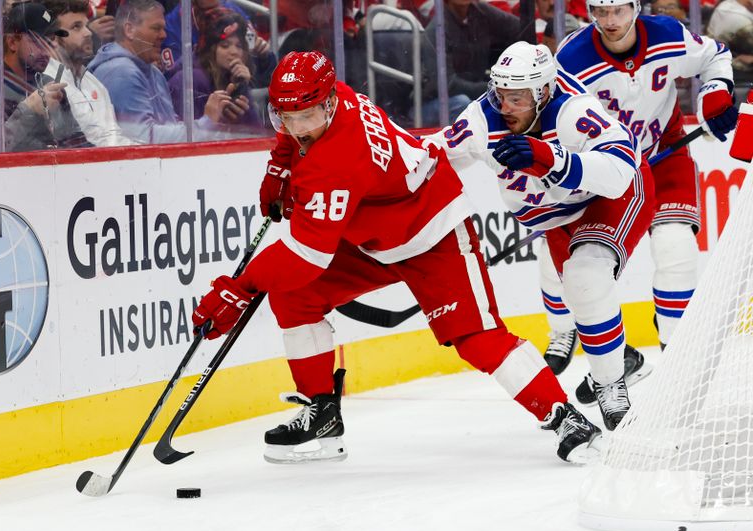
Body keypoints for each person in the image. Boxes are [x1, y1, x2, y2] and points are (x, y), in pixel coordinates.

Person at [192, 50, 602, 464]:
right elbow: (295, 135)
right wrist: (281, 166)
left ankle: (565, 417)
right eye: (286, 117)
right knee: (295, 295)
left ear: (330, 103)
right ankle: (323, 414)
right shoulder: (334, 99)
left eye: (306, 118)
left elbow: (307, 255)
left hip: (433, 232)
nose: (297, 129)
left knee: (476, 337)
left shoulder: (337, 158)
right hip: (375, 236)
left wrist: (239, 288)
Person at [426, 42, 655, 430]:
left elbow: (619, 173)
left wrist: (549, 157)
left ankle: (611, 383)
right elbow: (428, 158)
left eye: (517, 98)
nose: (506, 107)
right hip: (556, 218)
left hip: (611, 200)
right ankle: (616, 358)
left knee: (586, 279)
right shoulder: (483, 119)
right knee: (565, 289)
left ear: (544, 92)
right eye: (500, 95)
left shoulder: (572, 112)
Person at [547, 0, 736, 402]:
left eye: (618, 11)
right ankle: (616, 357)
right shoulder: (571, 58)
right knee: (580, 278)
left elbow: (716, 56)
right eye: (600, 12)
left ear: (636, 8)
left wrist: (716, 93)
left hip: (663, 156)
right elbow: (550, 118)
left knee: (676, 248)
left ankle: (676, 359)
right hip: (608, 177)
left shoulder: (667, 35)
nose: (610, 22)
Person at [88, 0, 227, 144]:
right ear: (129, 30)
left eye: (163, 29)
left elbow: (169, 125)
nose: (164, 35)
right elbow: (142, 138)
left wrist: (214, 120)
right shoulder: (121, 72)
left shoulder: (153, 72)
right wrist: (205, 125)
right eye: (156, 28)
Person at [0, 2, 92, 151]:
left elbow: (77, 144)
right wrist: (29, 110)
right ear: (13, 42)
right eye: (38, 40)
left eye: (50, 41)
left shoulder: (49, 84)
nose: (47, 50)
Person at [43, 0, 133, 146]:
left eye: (86, 25)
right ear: (53, 38)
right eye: (76, 27)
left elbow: (114, 137)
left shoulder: (94, 83)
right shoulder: (47, 85)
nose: (88, 32)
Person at [167, 10, 261, 129]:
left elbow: (255, 133)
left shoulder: (235, 78)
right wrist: (224, 118)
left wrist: (242, 87)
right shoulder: (190, 80)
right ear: (210, 50)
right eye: (225, 45)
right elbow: (189, 136)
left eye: (239, 46)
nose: (234, 52)